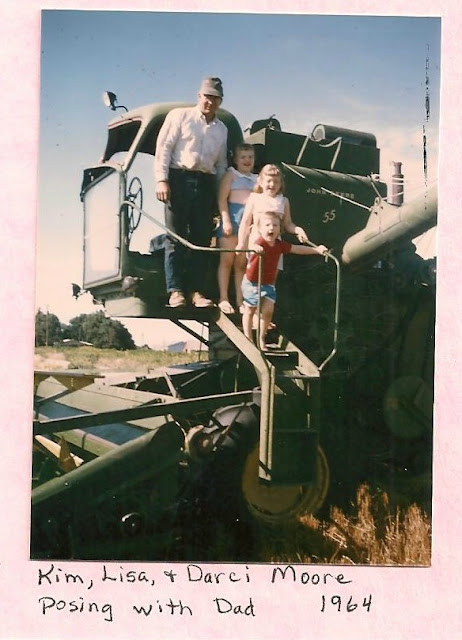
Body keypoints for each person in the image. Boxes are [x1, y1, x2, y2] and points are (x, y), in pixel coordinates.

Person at [154, 77, 228, 308]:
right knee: (175, 238)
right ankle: (175, 291)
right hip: (179, 179)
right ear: (199, 96)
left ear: (220, 101)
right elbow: (164, 148)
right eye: (207, 96)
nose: (210, 102)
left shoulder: (222, 129)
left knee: (202, 239)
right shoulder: (179, 116)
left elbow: (221, 164)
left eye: (215, 98)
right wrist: (162, 180)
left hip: (206, 183)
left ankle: (197, 292)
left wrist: (218, 196)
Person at [242, 211, 328, 350]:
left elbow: (297, 249)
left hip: (268, 283)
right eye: (267, 225)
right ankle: (248, 338)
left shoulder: (279, 245)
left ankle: (261, 337)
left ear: (279, 229)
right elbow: (252, 246)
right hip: (253, 283)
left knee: (268, 311)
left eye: (275, 225)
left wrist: (316, 250)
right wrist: (255, 248)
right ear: (260, 229)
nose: (271, 228)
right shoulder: (260, 242)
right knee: (250, 310)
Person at [216, 143, 257, 314]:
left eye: (250, 157)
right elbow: (222, 200)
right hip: (232, 221)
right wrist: (226, 220)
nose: (247, 160)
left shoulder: (257, 179)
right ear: (236, 160)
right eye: (243, 157)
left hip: (247, 225)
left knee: (241, 264)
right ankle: (224, 298)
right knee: (227, 261)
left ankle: (240, 301)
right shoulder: (231, 175)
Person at [236, 163, 309, 256]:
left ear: (280, 184)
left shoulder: (284, 201)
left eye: (276, 182)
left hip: (275, 245)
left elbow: (287, 224)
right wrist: (241, 243)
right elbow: (245, 223)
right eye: (269, 181)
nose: (272, 184)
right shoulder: (254, 198)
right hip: (256, 244)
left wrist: (298, 230)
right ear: (261, 182)